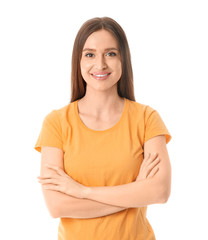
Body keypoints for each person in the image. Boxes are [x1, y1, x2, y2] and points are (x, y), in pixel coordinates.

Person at [34, 17, 172, 240]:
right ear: (78, 61)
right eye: (89, 54)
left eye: (110, 53)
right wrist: (135, 192)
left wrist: (82, 192)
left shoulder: (147, 118)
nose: (100, 64)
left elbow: (159, 192)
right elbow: (57, 206)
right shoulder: (56, 122)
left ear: (123, 60)